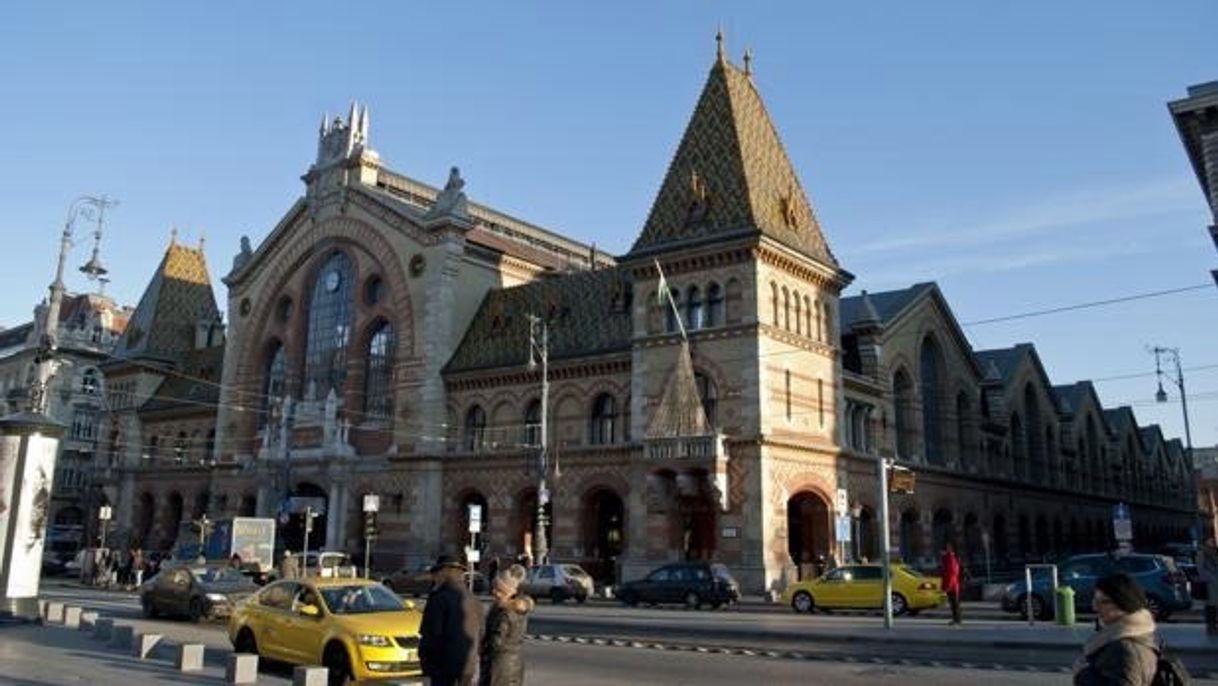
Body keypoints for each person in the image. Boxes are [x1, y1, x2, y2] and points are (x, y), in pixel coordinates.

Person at [1071, 573, 1157, 685]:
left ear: (1126, 603)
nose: (1095, 607)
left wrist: (1083, 674)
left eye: (1105, 602)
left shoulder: (1125, 649)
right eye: (1095, 600)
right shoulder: (1134, 636)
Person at [419, 554, 483, 686]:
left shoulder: (439, 599)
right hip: (467, 666)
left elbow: (430, 636)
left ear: (443, 573)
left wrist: (426, 669)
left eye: (435, 574)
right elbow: (481, 633)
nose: (434, 578)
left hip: (442, 668)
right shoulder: (474, 599)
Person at [479, 564, 534, 686]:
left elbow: (496, 642)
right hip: (515, 663)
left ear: (507, 591)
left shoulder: (504, 613)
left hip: (498, 666)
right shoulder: (519, 609)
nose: (494, 593)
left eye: (499, 590)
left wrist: (481, 649)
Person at [1196, 538, 1218, 635]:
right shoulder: (1202, 552)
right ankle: (1210, 627)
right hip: (1210, 584)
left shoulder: (1214, 552)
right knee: (1211, 606)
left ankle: (1214, 626)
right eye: (1212, 540)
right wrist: (1211, 578)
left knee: (1214, 606)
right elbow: (1200, 569)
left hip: (1215, 583)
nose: (1213, 542)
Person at [940, 541, 962, 625]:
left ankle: (957, 620)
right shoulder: (949, 558)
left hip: (952, 585)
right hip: (953, 584)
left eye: (942, 551)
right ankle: (956, 619)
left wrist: (947, 587)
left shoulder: (949, 558)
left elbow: (951, 573)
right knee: (954, 603)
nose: (940, 553)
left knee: (954, 603)